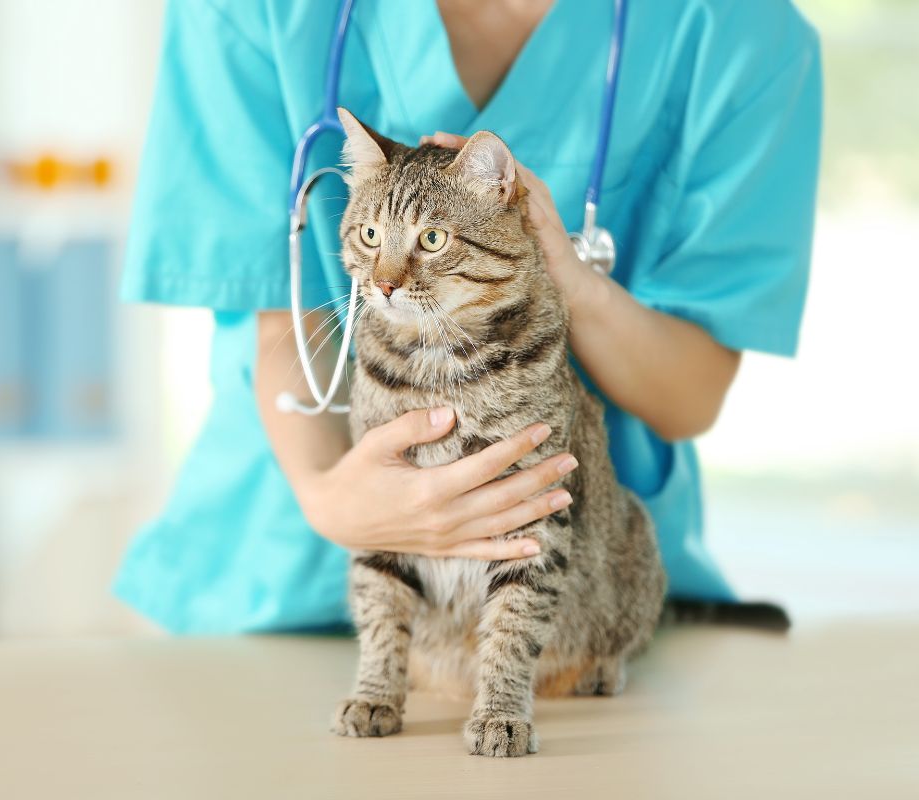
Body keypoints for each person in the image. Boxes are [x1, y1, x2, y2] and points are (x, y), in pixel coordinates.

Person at [115, 0, 822, 633]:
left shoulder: (742, 34)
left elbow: (690, 393)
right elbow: (280, 314)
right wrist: (330, 500)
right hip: (276, 581)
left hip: (559, 596)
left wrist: (563, 276)